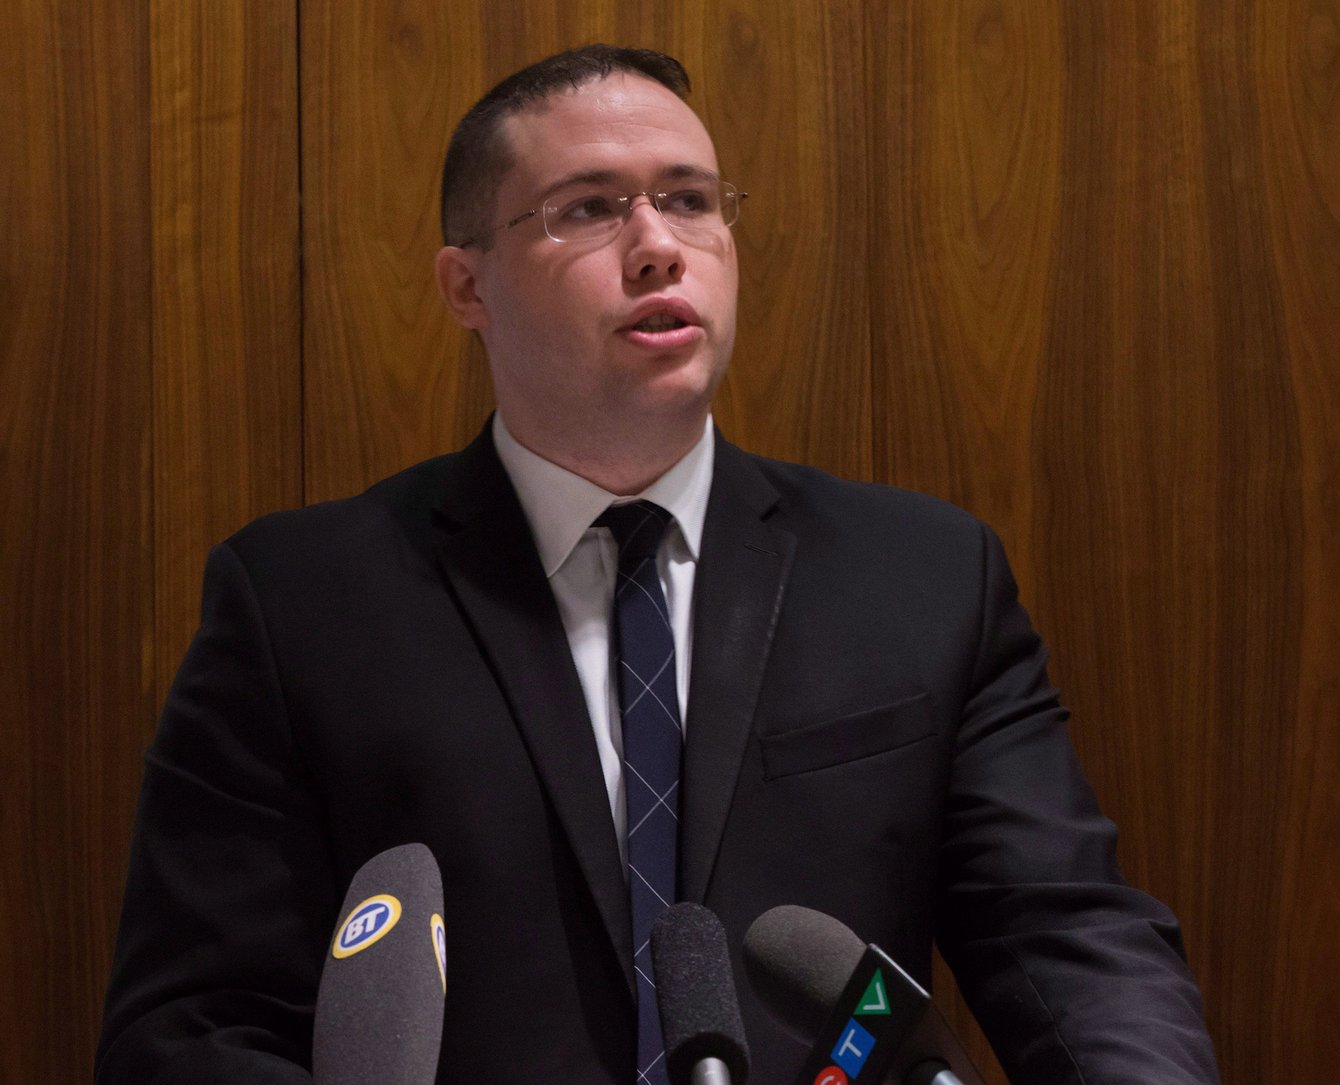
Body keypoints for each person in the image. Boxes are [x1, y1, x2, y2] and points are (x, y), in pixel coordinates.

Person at [97, 44, 1220, 1085]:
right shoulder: (303, 603)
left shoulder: (921, 575)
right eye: (588, 208)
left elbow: (1067, 934)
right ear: (466, 286)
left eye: (689, 199)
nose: (657, 244)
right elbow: (191, 1025)